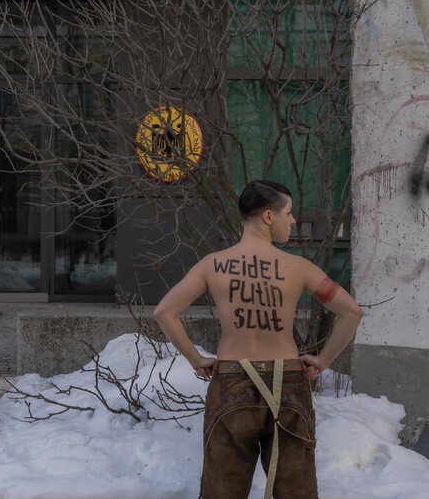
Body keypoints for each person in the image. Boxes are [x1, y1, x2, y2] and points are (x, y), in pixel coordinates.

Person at [153, 180, 363, 499]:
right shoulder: (297, 268)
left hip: (232, 381)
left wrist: (196, 360)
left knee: (222, 490)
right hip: (289, 382)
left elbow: (165, 311)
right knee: (296, 491)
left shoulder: (213, 265)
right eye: (288, 213)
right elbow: (351, 312)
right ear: (268, 216)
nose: (291, 221)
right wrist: (323, 361)